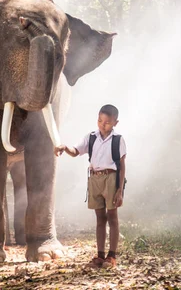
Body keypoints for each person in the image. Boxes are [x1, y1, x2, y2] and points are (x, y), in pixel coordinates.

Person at [54, 104, 127, 269]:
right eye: (100, 120)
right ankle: (100, 255)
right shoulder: (91, 137)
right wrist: (65, 147)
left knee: (112, 217)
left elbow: (122, 165)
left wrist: (119, 190)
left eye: (107, 122)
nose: (103, 124)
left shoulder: (118, 140)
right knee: (100, 218)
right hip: (94, 178)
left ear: (115, 123)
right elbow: (76, 151)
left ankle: (112, 255)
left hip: (111, 178)